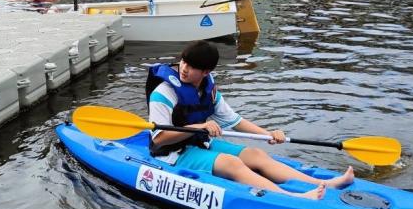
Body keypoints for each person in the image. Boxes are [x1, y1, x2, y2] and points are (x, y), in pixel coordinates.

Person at [147, 41, 353, 199]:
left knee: (256, 154)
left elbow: (235, 121)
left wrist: (269, 135)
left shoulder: (208, 92)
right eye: (183, 61)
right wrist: (199, 126)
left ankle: (323, 183)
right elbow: (159, 139)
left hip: (198, 143)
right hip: (170, 154)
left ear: (206, 72)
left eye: (192, 66)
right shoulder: (164, 92)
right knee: (231, 163)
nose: (184, 68)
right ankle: (294, 197)